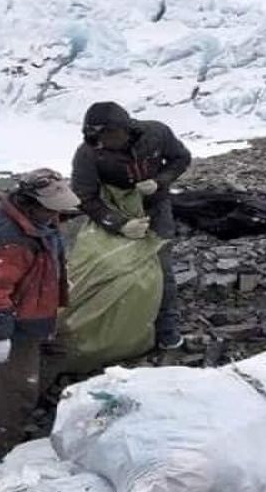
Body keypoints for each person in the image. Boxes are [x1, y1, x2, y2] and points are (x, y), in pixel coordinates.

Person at [0, 169, 80, 458]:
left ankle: (29, 392)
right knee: (10, 390)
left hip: (36, 308)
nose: (56, 216)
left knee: (59, 346)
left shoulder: (37, 219)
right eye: (52, 211)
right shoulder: (12, 240)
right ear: (33, 204)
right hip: (14, 319)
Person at [70, 101, 193, 351]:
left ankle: (166, 331)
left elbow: (181, 158)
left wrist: (160, 181)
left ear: (124, 128)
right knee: (110, 267)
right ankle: (116, 330)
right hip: (116, 211)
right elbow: (84, 197)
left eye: (107, 136)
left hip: (156, 208)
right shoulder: (88, 153)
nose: (102, 143)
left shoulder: (156, 133)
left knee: (161, 267)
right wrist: (120, 225)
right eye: (95, 137)